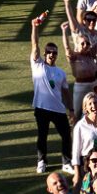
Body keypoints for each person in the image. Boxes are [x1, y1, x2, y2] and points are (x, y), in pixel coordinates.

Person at [31, 15, 71, 174]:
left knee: (66, 135)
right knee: (42, 136)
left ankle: (66, 163)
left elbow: (66, 93)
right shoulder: (37, 64)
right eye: (48, 52)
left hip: (59, 109)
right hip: (41, 108)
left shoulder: (61, 73)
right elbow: (35, 45)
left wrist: (71, 110)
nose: (51, 55)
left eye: (54, 53)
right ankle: (41, 161)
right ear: (45, 53)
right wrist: (35, 27)